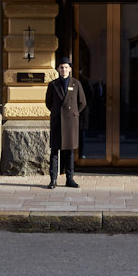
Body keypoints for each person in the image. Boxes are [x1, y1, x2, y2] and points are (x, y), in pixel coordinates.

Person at [45, 57, 86, 188]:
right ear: (58, 69)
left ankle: (70, 179)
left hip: (70, 122)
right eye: (61, 67)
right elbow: (48, 102)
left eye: (66, 67)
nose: (64, 69)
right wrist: (57, 112)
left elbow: (82, 102)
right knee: (54, 152)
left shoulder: (76, 84)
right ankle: (53, 180)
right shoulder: (53, 84)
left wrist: (74, 113)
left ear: (70, 69)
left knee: (69, 152)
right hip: (57, 121)